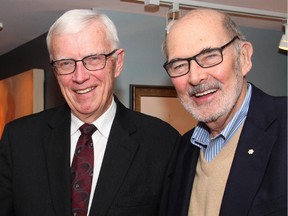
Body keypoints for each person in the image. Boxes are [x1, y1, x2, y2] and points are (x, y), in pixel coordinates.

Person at [0, 9, 181, 216]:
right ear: (55, 70)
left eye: (93, 59)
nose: (79, 77)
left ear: (118, 63)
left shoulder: (161, 143)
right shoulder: (19, 140)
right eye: (66, 63)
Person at [162, 8, 287, 216]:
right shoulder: (183, 149)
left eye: (210, 56)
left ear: (244, 58)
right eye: (179, 65)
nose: (195, 77)